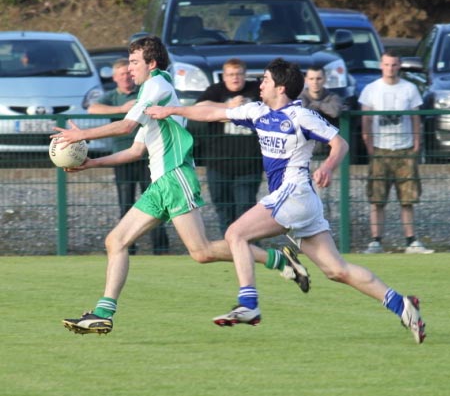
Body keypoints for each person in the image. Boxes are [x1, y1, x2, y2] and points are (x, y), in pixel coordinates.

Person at [147, 57, 426, 344]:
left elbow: (339, 143)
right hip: (295, 201)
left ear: (280, 87)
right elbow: (213, 113)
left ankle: (249, 304)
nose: (260, 84)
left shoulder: (300, 116)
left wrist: (328, 167)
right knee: (335, 270)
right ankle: (402, 304)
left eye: (265, 79)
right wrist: (171, 110)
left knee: (235, 234)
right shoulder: (257, 112)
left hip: (295, 194)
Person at [52, 36, 310, 335]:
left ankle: (278, 259)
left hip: (175, 178)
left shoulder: (157, 86)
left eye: (135, 62)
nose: (130, 68)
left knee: (200, 251)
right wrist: (92, 164)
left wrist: (80, 135)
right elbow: (136, 151)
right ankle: (102, 314)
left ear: (152, 63)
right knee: (117, 241)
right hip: (160, 183)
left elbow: (124, 127)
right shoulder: (148, 94)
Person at [88, 58, 169, 255]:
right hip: (123, 156)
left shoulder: (143, 93)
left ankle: (160, 248)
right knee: (126, 202)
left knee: (154, 203)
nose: (126, 76)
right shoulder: (112, 97)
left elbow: (128, 126)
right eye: (121, 74)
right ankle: (128, 246)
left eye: (128, 72)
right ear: (115, 78)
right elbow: (92, 108)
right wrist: (122, 110)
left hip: (147, 156)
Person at [359, 50, 433, 255]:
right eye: (387, 64)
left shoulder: (410, 89)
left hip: (405, 148)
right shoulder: (371, 90)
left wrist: (417, 144)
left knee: (407, 199)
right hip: (380, 150)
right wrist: (369, 145)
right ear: (381, 65)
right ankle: (376, 241)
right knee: (377, 199)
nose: (390, 69)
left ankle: (411, 241)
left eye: (394, 65)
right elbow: (365, 120)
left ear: (400, 66)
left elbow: (416, 118)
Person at [194, 58, 263, 235]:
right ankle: (229, 250)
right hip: (218, 163)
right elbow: (200, 107)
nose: (235, 78)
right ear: (224, 76)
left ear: (244, 75)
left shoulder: (256, 90)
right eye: (231, 74)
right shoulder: (216, 91)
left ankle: (250, 248)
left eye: (239, 74)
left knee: (246, 211)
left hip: (249, 164)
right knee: (223, 210)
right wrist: (227, 106)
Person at [299, 65, 345, 157]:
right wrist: (323, 109)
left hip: (328, 153)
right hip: (304, 153)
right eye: (311, 79)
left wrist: (317, 104)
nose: (315, 82)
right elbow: (304, 112)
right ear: (306, 80)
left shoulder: (333, 97)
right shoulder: (300, 97)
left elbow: (335, 111)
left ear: (324, 79)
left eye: (318, 78)